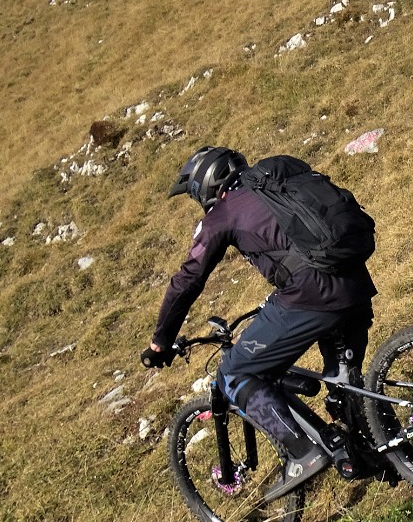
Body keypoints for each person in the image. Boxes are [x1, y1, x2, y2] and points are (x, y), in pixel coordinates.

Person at [142, 146, 376, 496]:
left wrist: (161, 340)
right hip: (353, 280)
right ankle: (386, 454)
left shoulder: (222, 214)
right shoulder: (279, 172)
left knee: (236, 372)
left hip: (312, 296)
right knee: (342, 385)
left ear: (207, 186)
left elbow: (188, 279)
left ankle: (304, 454)